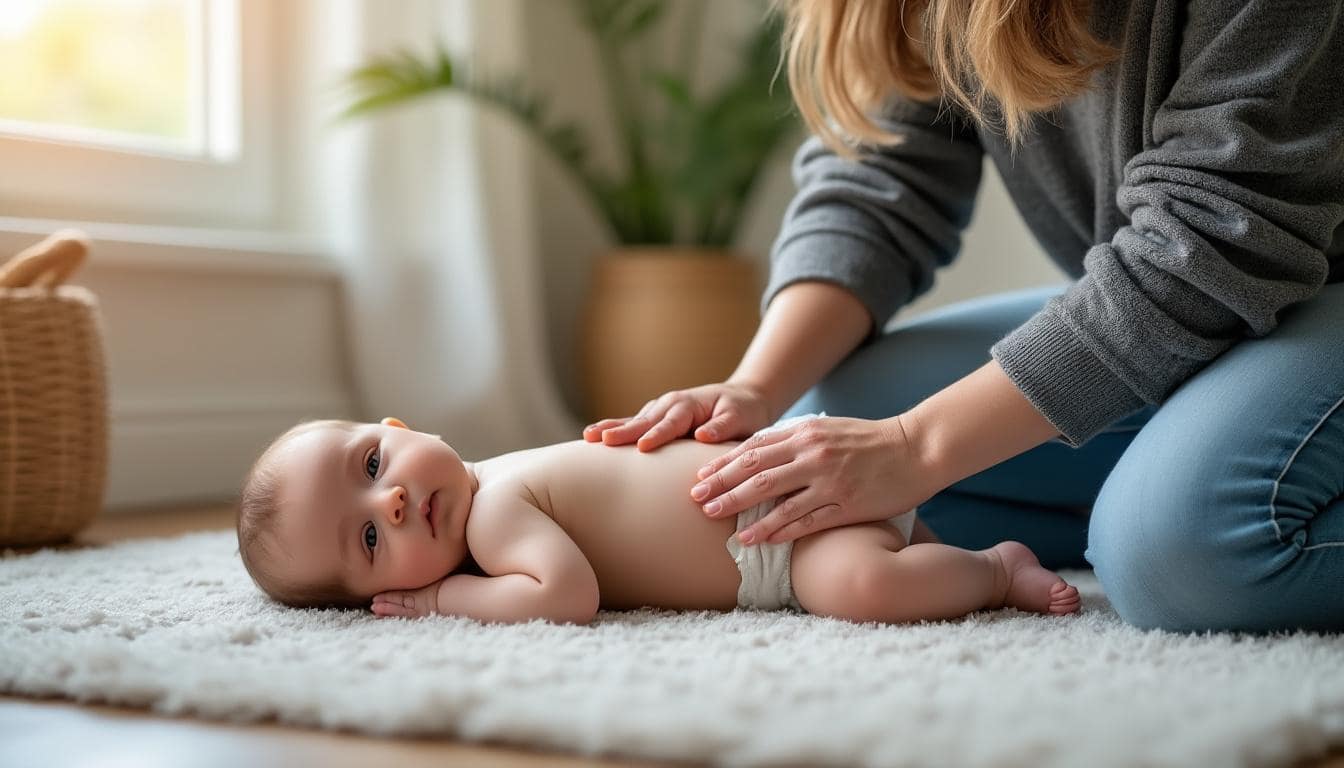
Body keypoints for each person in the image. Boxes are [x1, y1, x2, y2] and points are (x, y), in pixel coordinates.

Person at [584, 0, 1344, 633]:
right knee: (827, 432)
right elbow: (879, 185)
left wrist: (918, 447)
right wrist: (754, 389)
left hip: (1302, 287)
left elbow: (1221, 232)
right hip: (1202, 298)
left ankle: (1172, 505)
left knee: (1183, 561)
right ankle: (1182, 476)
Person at [235, 417, 1081, 623]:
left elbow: (564, 595)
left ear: (393, 427)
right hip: (791, 487)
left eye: (373, 468)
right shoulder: (497, 477)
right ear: (367, 592)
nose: (388, 500)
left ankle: (996, 568)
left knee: (856, 585)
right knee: (873, 564)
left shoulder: (494, 515)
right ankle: (942, 549)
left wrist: (439, 602)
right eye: (372, 539)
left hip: (778, 526)